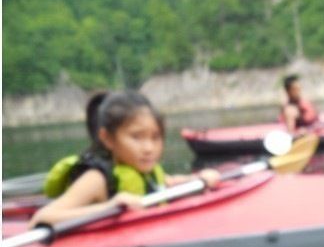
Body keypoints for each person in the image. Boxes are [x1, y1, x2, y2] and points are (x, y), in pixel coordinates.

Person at [31, 91, 219, 228]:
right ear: (107, 139)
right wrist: (110, 206)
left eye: (155, 137)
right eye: (136, 137)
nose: (148, 148)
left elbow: (168, 182)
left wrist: (199, 179)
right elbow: (43, 218)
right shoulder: (96, 179)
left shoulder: (146, 172)